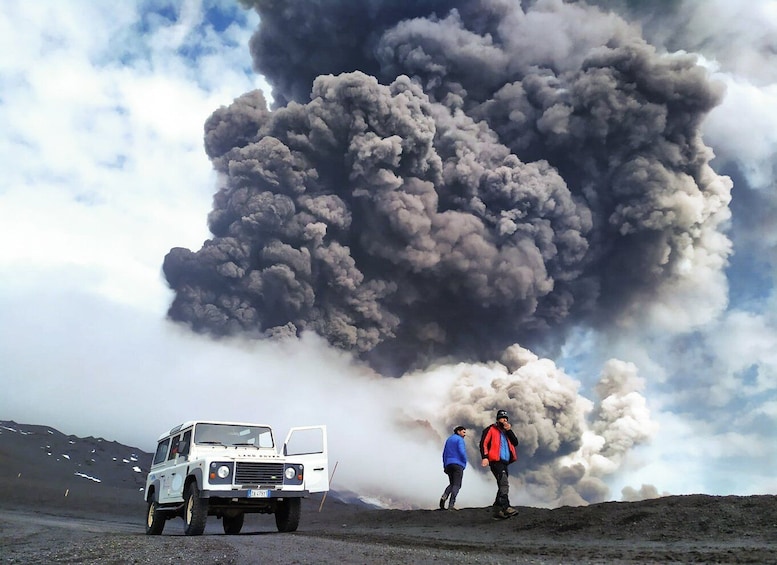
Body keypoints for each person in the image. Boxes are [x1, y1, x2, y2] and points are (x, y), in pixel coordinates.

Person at [480, 409, 519, 519]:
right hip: (495, 461)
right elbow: (484, 443)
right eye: (502, 418)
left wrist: (509, 431)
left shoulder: (507, 432)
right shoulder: (491, 429)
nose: (505, 420)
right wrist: (485, 457)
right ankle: (506, 507)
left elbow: (515, 442)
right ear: (498, 419)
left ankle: (497, 510)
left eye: (506, 418)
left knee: (501, 484)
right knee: (504, 483)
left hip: (505, 462)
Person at [439, 425, 467, 510]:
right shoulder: (460, 440)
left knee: (452, 484)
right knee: (457, 485)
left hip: (448, 464)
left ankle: (444, 496)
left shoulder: (449, 440)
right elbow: (462, 451)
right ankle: (451, 505)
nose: (465, 434)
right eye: (463, 432)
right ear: (458, 431)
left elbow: (444, 454)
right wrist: (464, 461)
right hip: (458, 464)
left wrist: (445, 465)